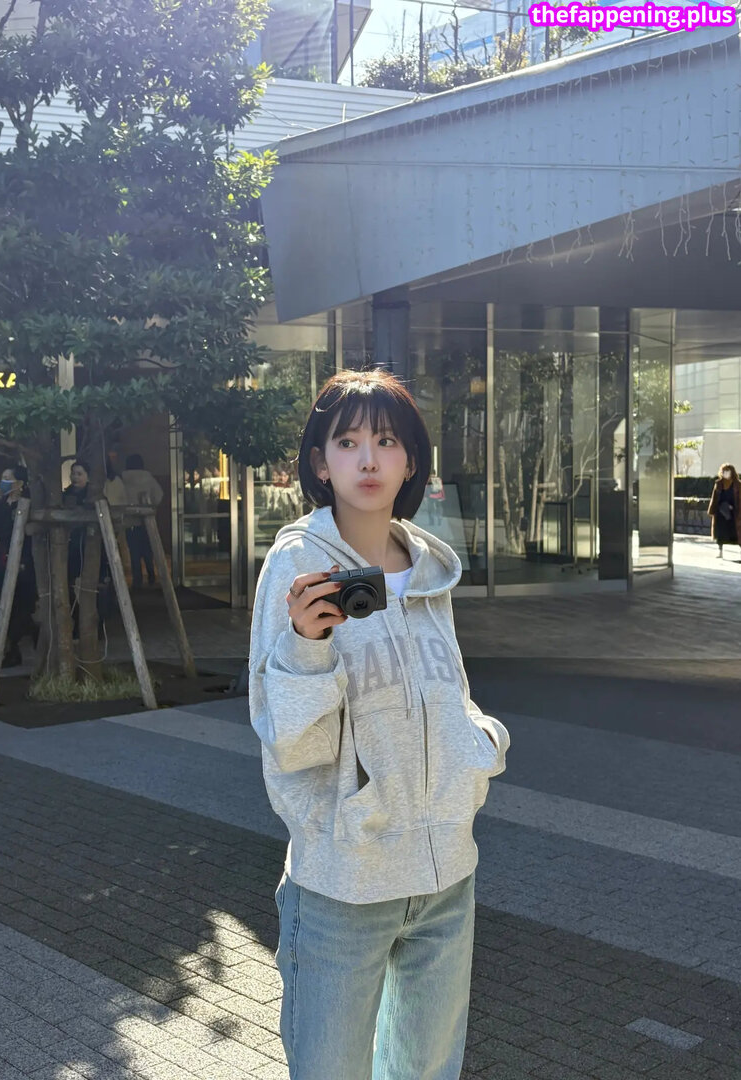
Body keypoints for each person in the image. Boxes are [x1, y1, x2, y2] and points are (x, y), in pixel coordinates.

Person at [249, 369, 510, 1080]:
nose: (368, 459)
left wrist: (479, 748)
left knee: (427, 1072)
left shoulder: (425, 567)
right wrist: (306, 647)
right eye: (348, 442)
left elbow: (447, 689)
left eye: (387, 441)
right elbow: (288, 740)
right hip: (344, 884)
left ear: (411, 460)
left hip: (446, 876)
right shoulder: (299, 563)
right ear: (319, 462)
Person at [0, 465, 37, 667]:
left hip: (22, 561)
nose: (4, 482)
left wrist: (23, 560)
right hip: (0, 560)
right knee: (5, 605)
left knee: (19, 605)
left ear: (20, 483)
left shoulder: (27, 505)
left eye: (8, 478)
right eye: (3, 477)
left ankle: (13, 648)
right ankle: (27, 636)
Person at [63, 460, 111, 638]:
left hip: (93, 546)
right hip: (71, 547)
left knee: (95, 587)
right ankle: (77, 621)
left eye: (79, 474)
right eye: (73, 473)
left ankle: (96, 625)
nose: (75, 477)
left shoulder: (95, 496)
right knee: (67, 586)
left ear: (88, 476)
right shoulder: (65, 495)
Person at [122, 453, 163, 588]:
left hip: (130, 521)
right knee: (148, 550)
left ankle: (137, 580)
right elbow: (159, 495)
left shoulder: (122, 479)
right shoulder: (148, 478)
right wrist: (152, 507)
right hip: (147, 521)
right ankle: (151, 575)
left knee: (134, 552)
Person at [707, 462, 741, 559]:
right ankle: (720, 551)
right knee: (720, 532)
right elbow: (714, 497)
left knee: (736, 533)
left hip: (734, 513)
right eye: (724, 471)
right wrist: (712, 509)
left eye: (727, 471)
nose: (725, 473)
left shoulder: (737, 484)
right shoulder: (719, 483)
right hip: (721, 512)